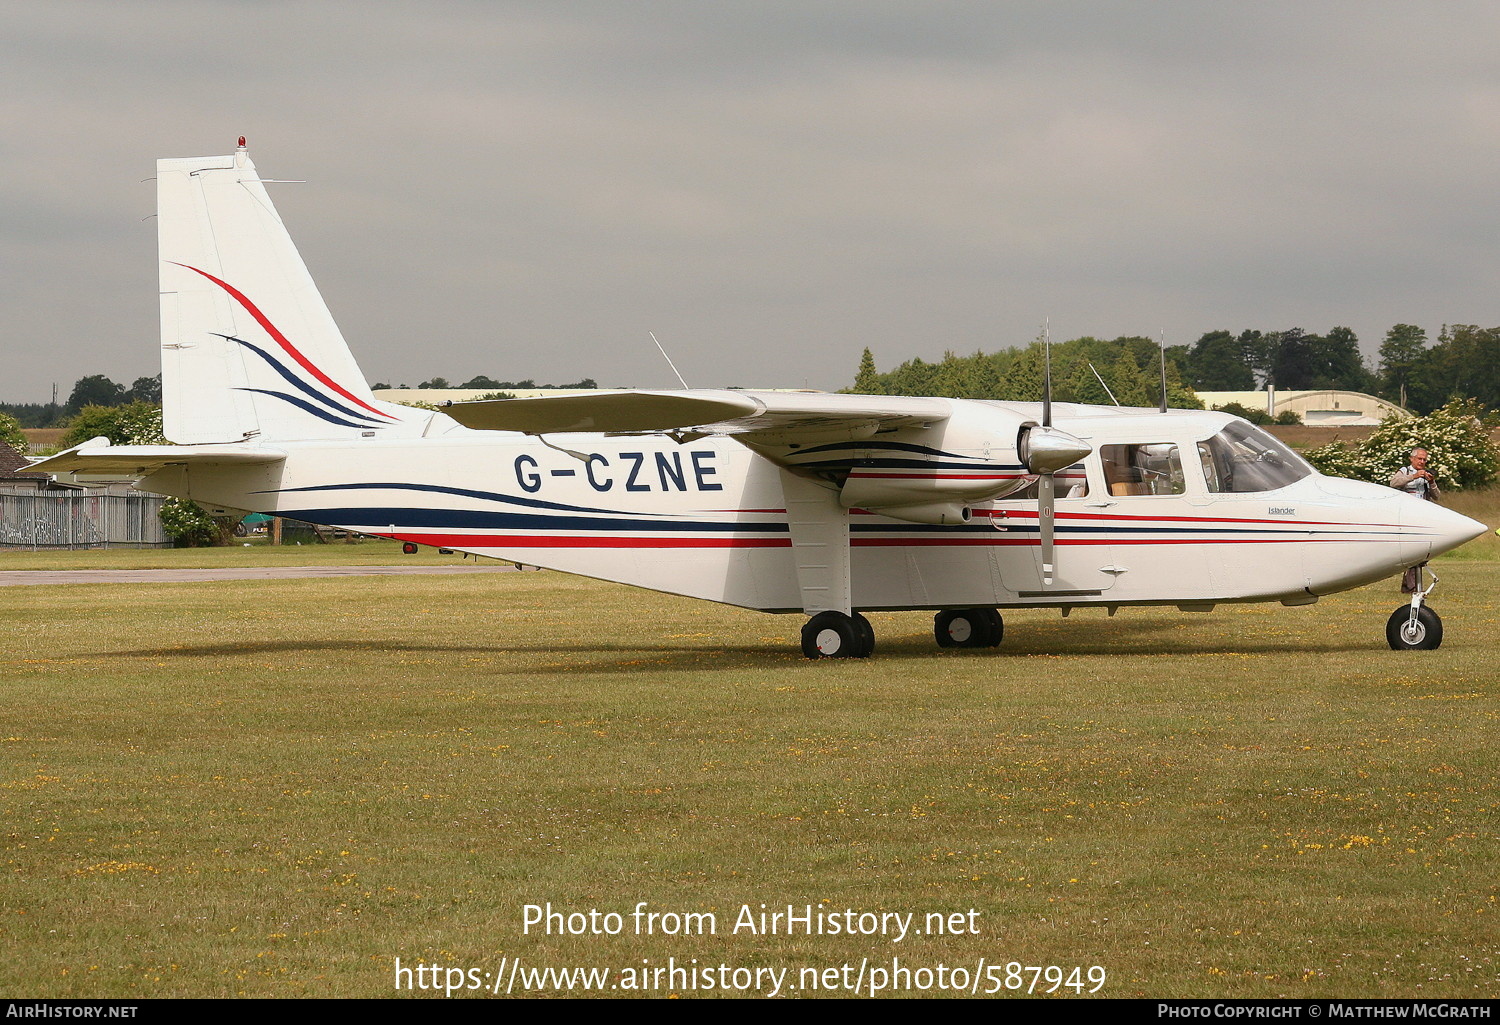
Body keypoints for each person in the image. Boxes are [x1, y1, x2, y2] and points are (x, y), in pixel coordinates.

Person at [1390, 446, 1441, 593]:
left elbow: (1437, 496)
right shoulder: (1404, 471)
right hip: (1406, 516)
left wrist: (1431, 482)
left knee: (1420, 551)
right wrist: (1414, 476)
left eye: (1425, 459)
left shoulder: (1427, 475)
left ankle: (1410, 584)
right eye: (1420, 458)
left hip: (1422, 516)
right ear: (1412, 459)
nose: (1422, 462)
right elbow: (1393, 483)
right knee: (1413, 551)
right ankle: (1411, 585)